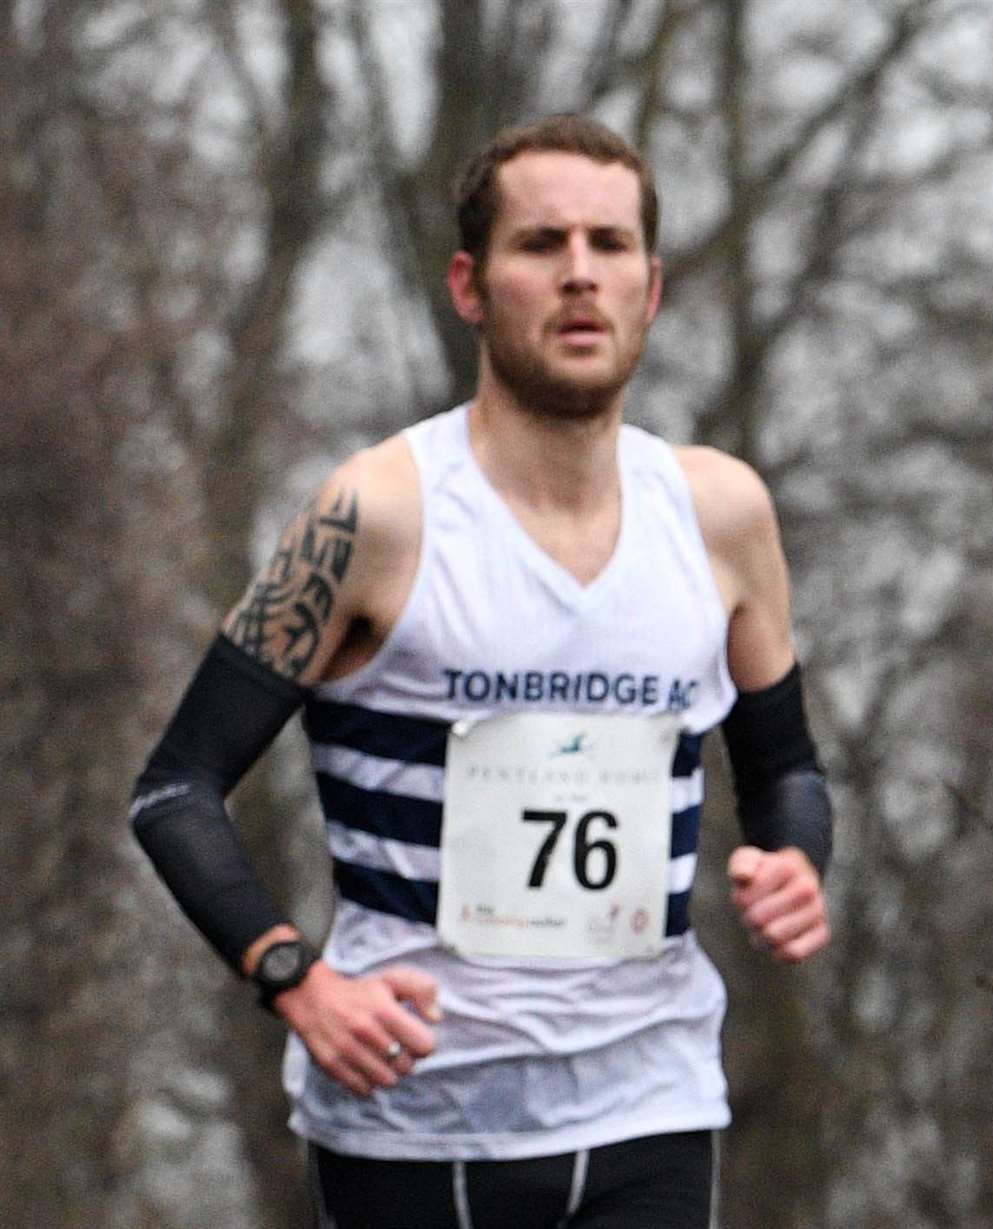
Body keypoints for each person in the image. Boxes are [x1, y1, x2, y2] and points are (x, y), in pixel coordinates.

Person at [131, 114, 832, 1228]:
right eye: (540, 243)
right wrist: (296, 979)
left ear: (651, 288)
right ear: (470, 284)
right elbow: (175, 787)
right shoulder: (380, 513)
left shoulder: (719, 514)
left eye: (609, 245)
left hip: (650, 1102)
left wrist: (796, 858)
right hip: (418, 1121)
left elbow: (786, 766)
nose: (577, 275)